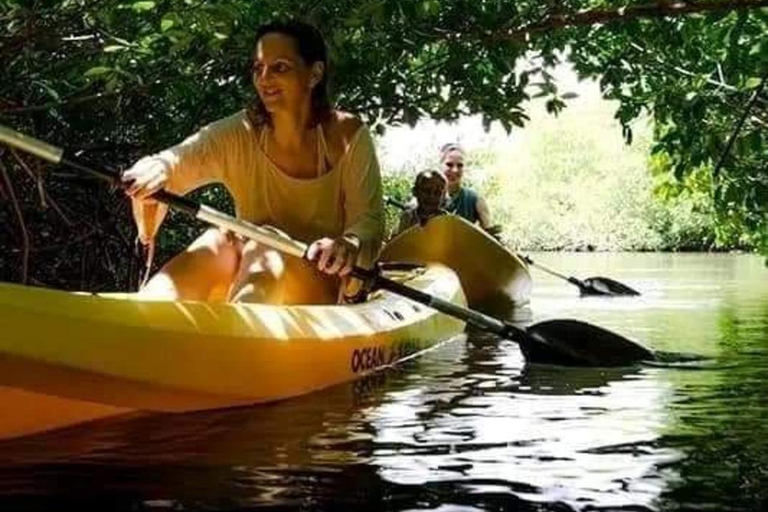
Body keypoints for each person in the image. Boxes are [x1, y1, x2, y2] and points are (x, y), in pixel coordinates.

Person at [122, 19, 384, 305]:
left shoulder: (347, 135)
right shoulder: (240, 132)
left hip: (322, 287)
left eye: (280, 67)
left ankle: (233, 330)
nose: (264, 79)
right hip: (253, 276)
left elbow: (368, 222)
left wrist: (349, 244)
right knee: (219, 240)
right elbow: (178, 160)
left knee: (264, 240)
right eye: (258, 69)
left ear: (314, 74)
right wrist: (158, 168)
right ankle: (143, 313)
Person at [439, 143, 500, 236]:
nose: (455, 170)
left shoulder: (475, 199)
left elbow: (490, 237)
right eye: (449, 164)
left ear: (465, 168)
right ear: (441, 165)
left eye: (460, 165)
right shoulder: (425, 197)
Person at [394, 169, 448, 235]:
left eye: (437, 193)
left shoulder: (447, 221)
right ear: (415, 192)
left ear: (444, 197)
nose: (431, 197)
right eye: (426, 191)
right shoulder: (407, 218)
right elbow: (397, 242)